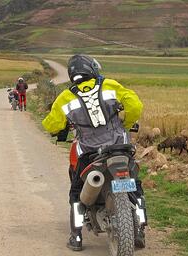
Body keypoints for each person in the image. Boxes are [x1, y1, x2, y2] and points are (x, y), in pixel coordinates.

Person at [42, 54, 144, 251]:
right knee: (135, 185)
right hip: (119, 147)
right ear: (92, 68)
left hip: (89, 152)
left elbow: (50, 124)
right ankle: (139, 228)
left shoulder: (66, 96)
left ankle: (76, 237)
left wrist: (58, 129)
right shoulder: (110, 85)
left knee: (76, 191)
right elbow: (135, 105)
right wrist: (127, 124)